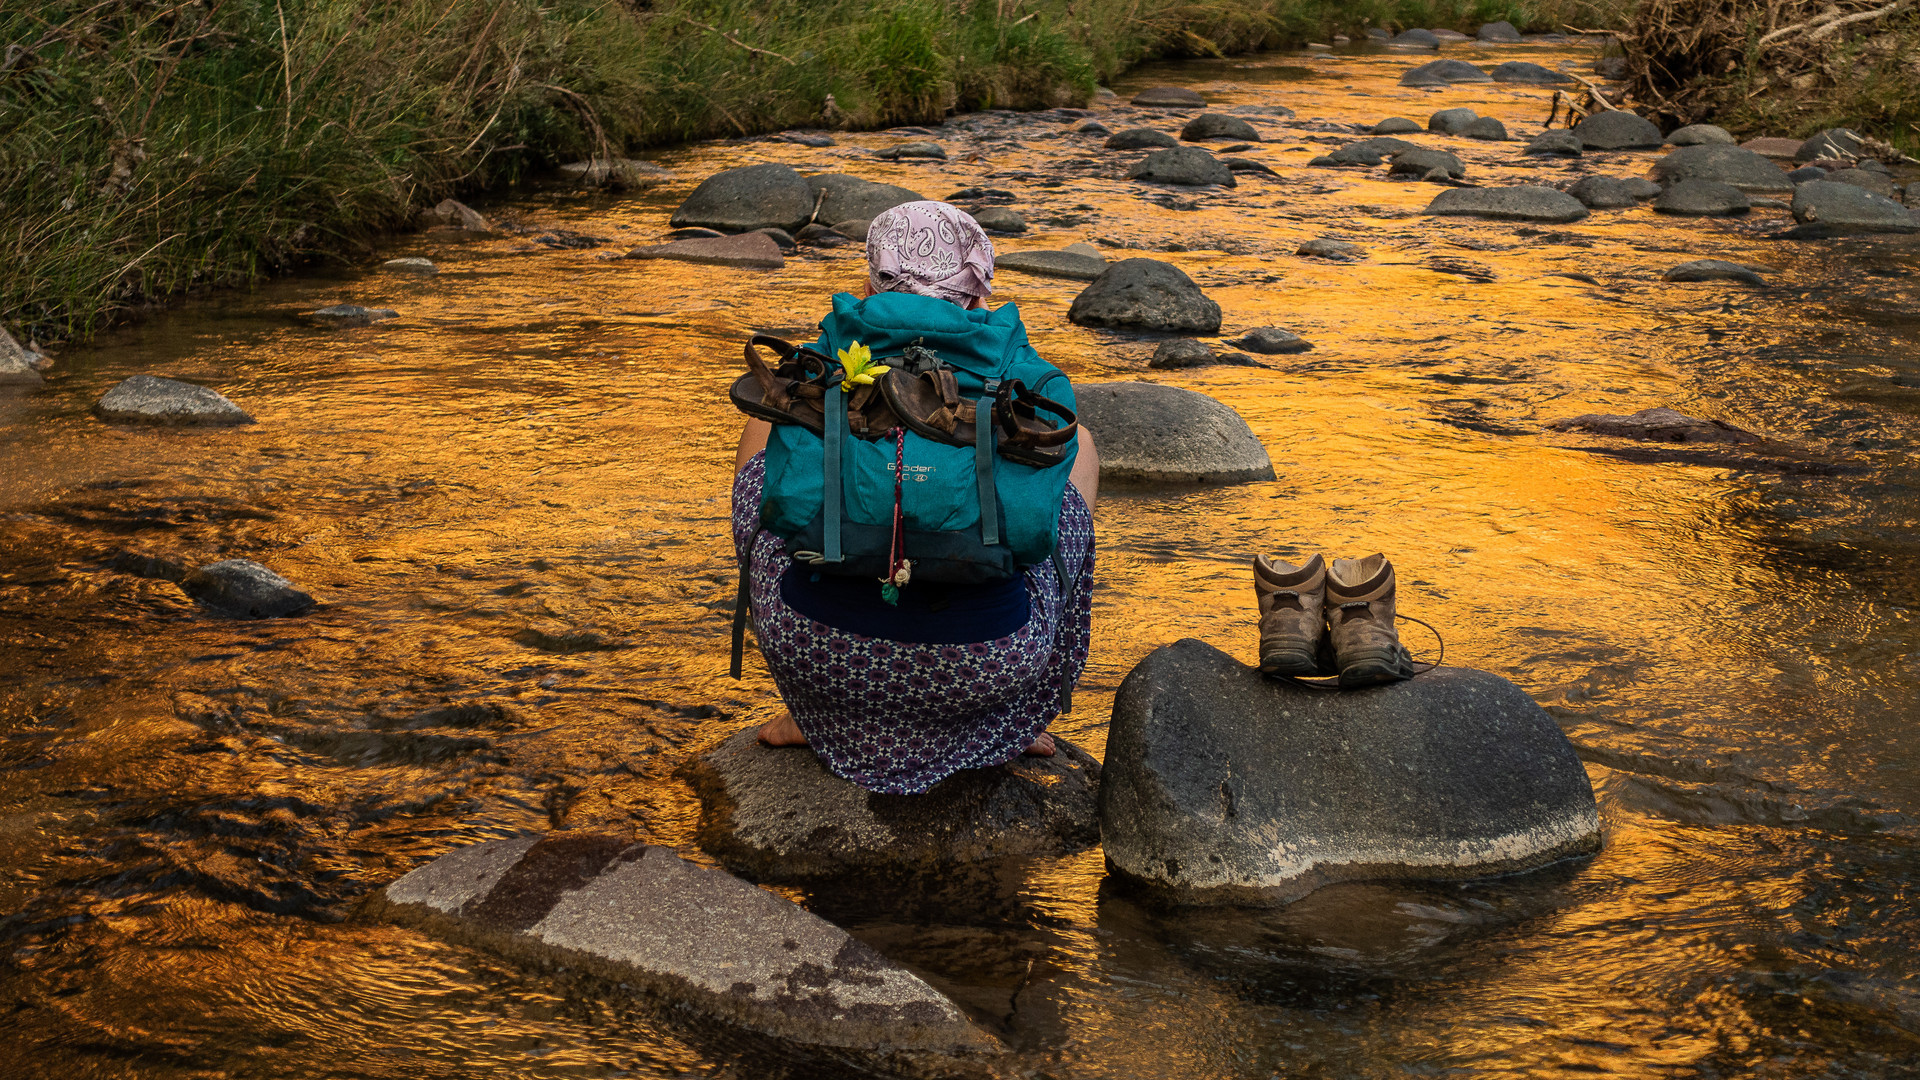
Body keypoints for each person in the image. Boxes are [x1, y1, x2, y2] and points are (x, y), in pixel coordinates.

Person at [729, 201, 1099, 795]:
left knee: (764, 439)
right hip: (987, 666)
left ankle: (811, 718)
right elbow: (1040, 542)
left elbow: (772, 515)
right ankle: (1011, 725)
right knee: (1075, 447)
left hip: (818, 654)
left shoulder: (821, 363)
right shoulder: (1024, 377)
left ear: (872, 279)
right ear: (976, 291)